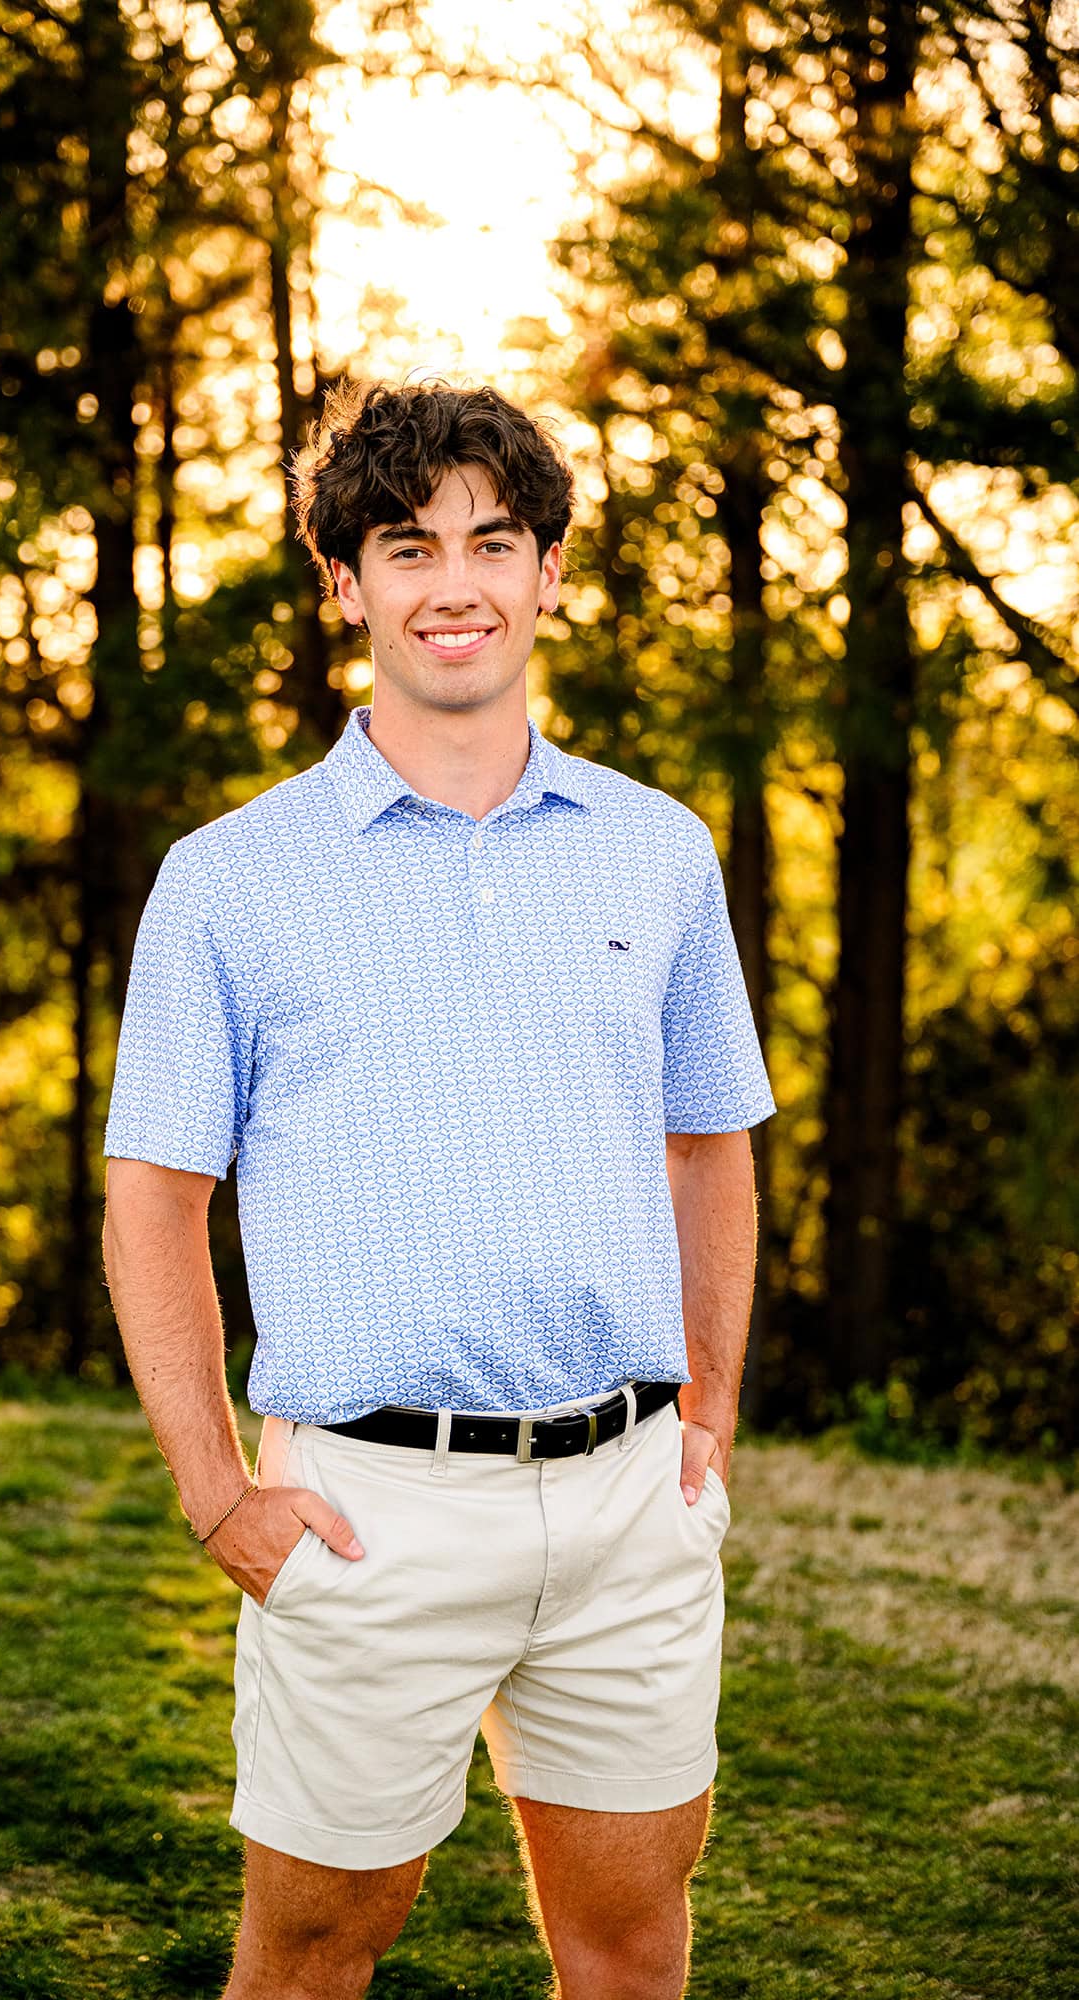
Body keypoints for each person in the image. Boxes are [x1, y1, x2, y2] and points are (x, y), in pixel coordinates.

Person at [101, 378, 776, 2000]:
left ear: (549, 572)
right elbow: (151, 1199)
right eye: (407, 547)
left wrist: (707, 1422)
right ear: (345, 585)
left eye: (494, 541)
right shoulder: (231, 880)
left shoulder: (658, 849)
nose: (453, 583)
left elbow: (709, 1144)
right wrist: (215, 1493)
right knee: (314, 1952)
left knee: (628, 1943)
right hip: (367, 1514)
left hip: (628, 1505)